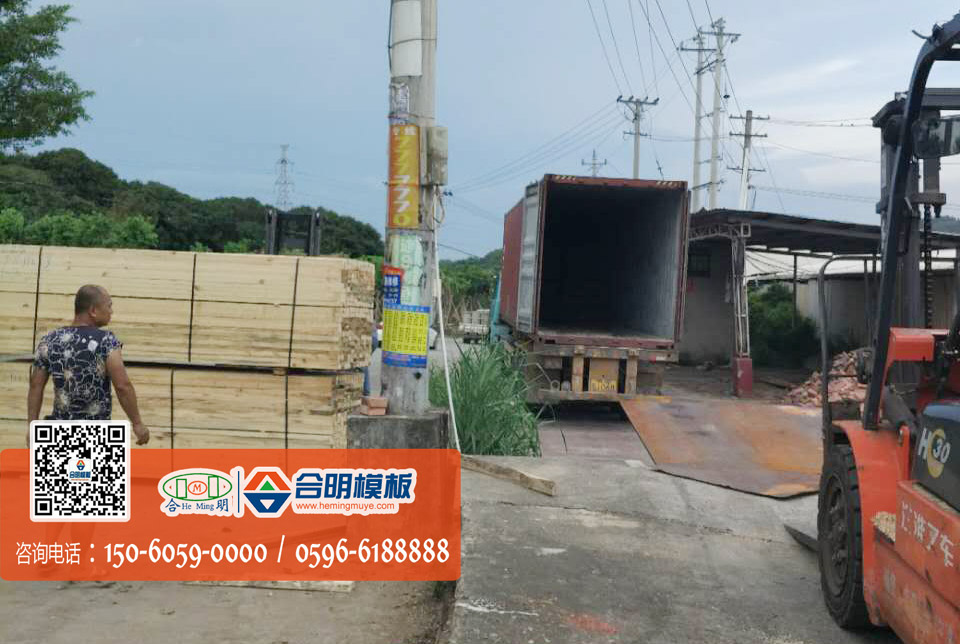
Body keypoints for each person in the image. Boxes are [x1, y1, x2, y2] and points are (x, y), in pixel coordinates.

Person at [27, 284, 149, 446]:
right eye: (109, 306)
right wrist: (137, 423)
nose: (111, 311)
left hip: (58, 434)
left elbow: (35, 386)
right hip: (96, 436)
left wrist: (32, 426)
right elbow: (122, 386)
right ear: (93, 310)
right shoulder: (106, 341)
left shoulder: (50, 340)